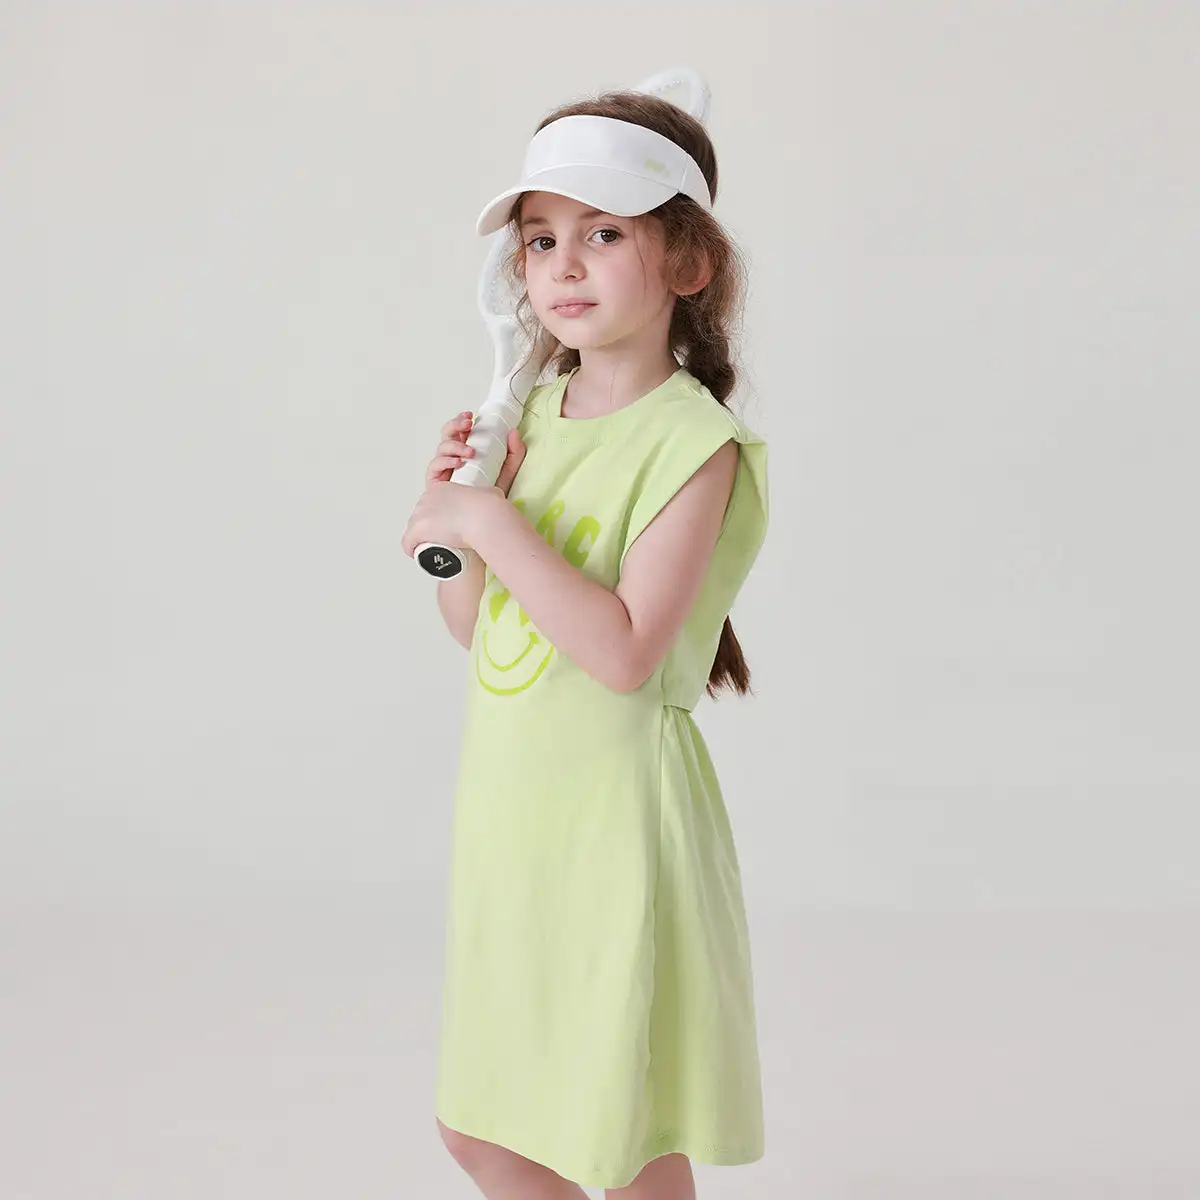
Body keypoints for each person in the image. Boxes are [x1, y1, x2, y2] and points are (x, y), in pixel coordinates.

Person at [401, 86, 769, 1200]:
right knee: (487, 1123)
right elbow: (481, 635)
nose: (564, 264)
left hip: (616, 830)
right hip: (514, 817)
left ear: (687, 262)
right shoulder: (532, 417)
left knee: (622, 1130)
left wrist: (493, 524)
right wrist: (462, 531)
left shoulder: (695, 444)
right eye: (540, 239)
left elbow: (622, 654)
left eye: (604, 234)